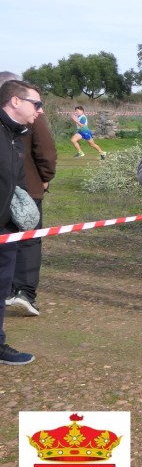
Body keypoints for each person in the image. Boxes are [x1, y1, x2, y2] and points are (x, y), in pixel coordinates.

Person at [0, 79, 42, 363]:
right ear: (16, 101)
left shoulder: (16, 135)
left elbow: (15, 183)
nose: (40, 110)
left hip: (7, 230)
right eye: (36, 104)